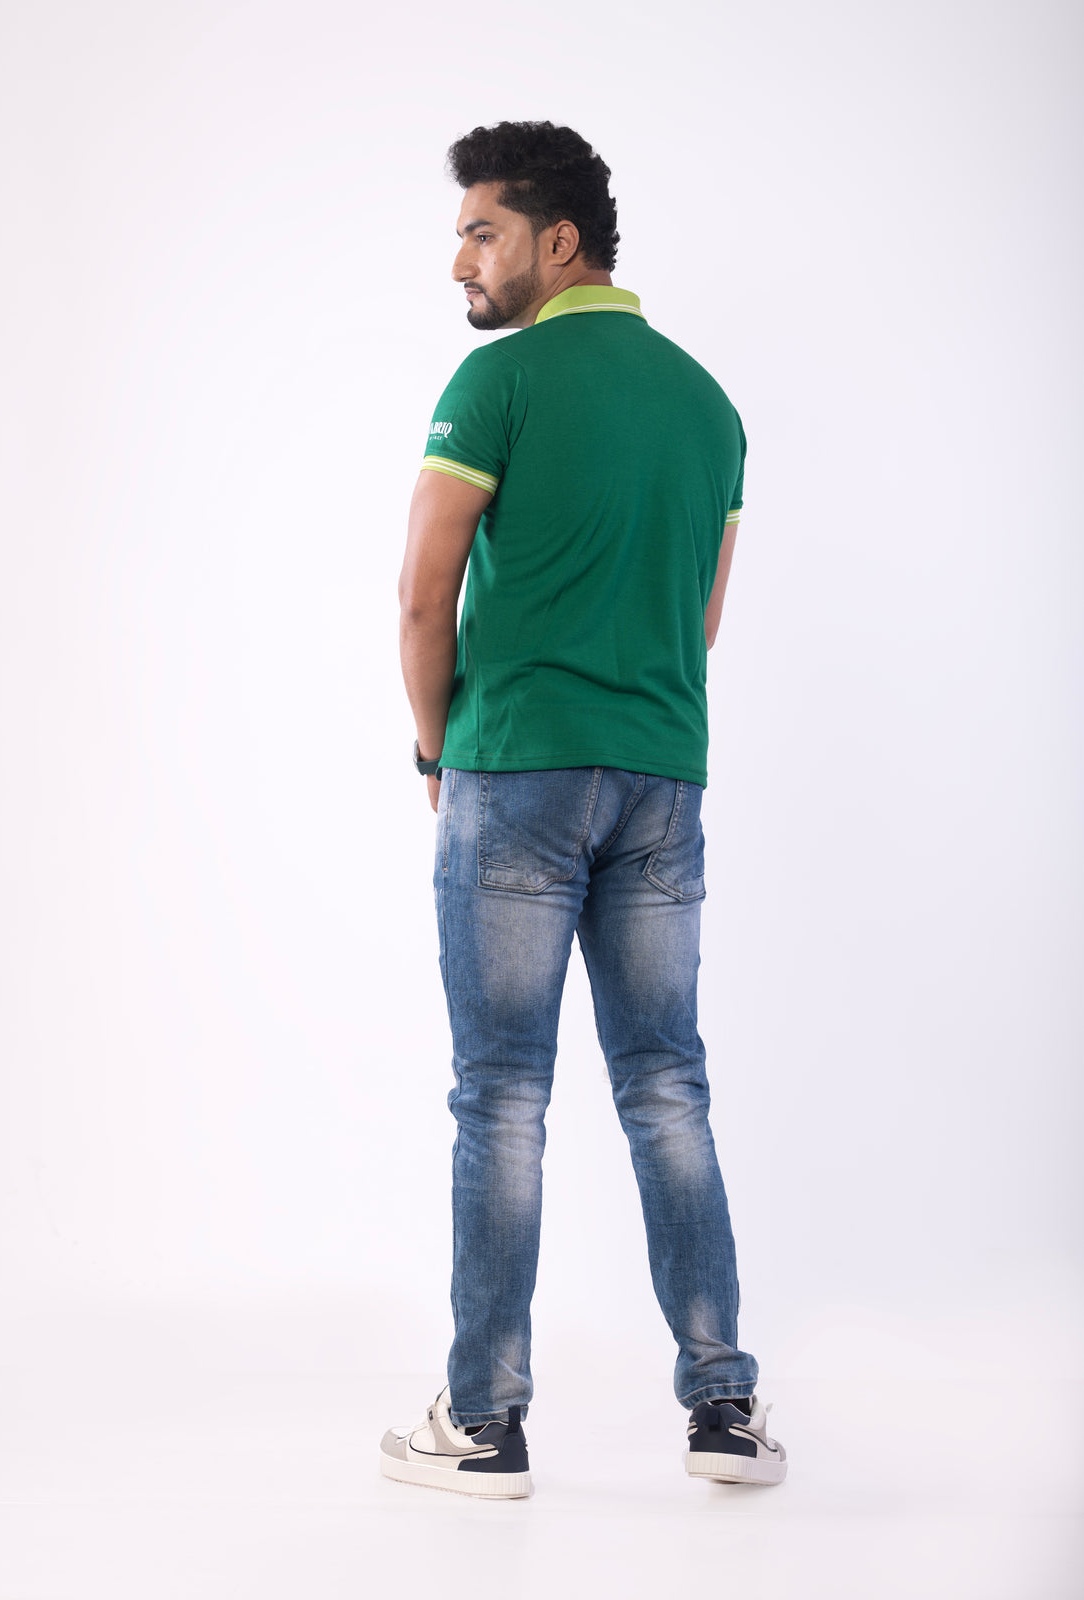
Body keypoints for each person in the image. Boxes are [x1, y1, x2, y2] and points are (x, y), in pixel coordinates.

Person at [380, 120, 787, 1499]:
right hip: (662, 774)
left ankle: (484, 1422)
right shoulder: (709, 405)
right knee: (666, 1082)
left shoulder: (497, 382)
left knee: (501, 1096)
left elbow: (422, 593)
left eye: (480, 231)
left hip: (517, 770)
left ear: (560, 242)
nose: (459, 262)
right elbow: (701, 617)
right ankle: (723, 1411)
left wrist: (437, 753)